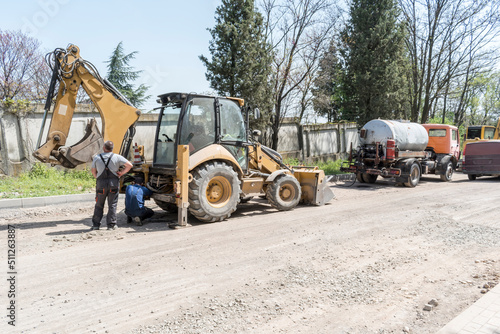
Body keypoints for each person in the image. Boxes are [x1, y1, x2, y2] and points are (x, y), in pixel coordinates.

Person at [90, 141, 133, 230]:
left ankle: (96, 225)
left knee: (99, 204)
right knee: (112, 204)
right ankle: (111, 225)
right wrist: (121, 173)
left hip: (101, 184)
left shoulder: (97, 158)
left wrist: (97, 177)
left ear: (104, 148)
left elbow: (93, 171)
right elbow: (129, 165)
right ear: (112, 148)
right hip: (113, 184)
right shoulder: (117, 157)